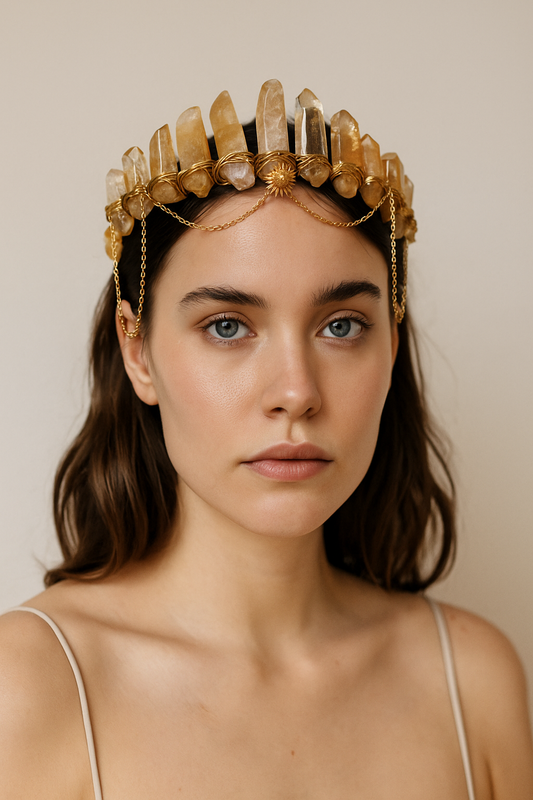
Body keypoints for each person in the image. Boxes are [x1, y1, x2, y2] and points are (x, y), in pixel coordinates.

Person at [0, 81, 531, 799]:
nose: (296, 391)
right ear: (139, 353)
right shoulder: (31, 684)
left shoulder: (472, 679)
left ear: (392, 346)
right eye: (227, 326)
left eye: (341, 325)